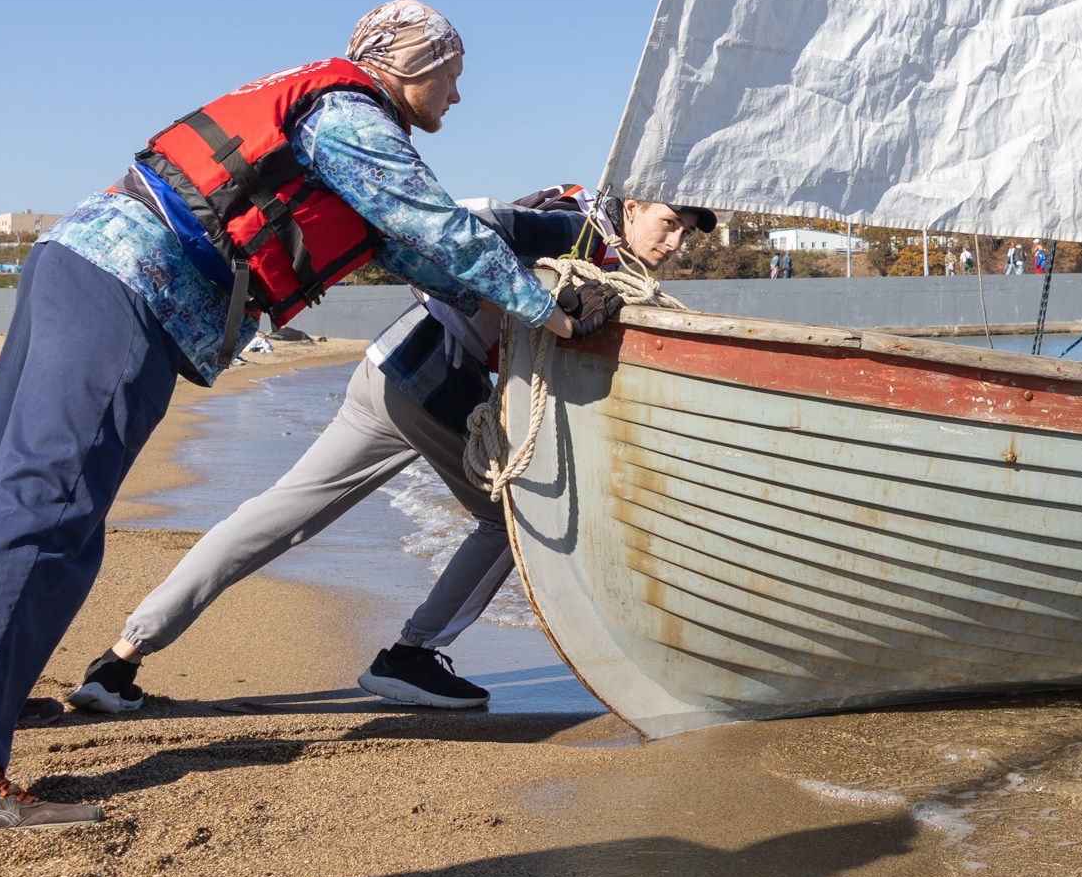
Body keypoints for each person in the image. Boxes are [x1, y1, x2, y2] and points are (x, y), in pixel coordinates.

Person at [0, 0, 612, 838]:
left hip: (78, 261)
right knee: (47, 514)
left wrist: (530, 268)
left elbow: (417, 253)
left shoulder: (327, 120)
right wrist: (550, 308)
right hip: (134, 286)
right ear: (408, 61)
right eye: (453, 73)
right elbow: (432, 224)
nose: (458, 94)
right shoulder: (351, 115)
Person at [64, 187, 711, 717]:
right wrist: (544, 299)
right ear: (630, 207)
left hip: (388, 365)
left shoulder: (599, 250)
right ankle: (412, 655)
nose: (675, 242)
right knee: (511, 516)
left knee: (275, 518)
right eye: (669, 222)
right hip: (432, 375)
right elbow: (469, 223)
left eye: (687, 232)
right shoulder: (574, 228)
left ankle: (119, 660)